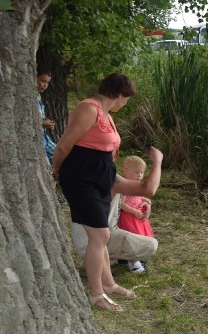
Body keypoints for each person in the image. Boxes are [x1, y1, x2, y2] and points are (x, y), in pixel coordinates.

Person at [51, 73, 163, 312]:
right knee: (100, 235)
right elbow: (65, 144)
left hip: (100, 178)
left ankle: (109, 284)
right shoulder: (88, 108)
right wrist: (56, 168)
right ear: (119, 94)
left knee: (101, 235)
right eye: (127, 98)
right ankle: (96, 294)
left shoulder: (107, 115)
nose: (126, 103)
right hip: (81, 178)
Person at [117, 155, 154, 273]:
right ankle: (134, 262)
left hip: (138, 217)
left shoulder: (136, 185)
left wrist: (144, 200)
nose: (140, 175)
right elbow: (121, 204)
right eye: (137, 172)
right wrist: (134, 211)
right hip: (129, 217)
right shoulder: (124, 186)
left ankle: (126, 258)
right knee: (133, 239)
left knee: (141, 236)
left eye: (142, 173)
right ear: (126, 170)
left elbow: (136, 196)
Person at [36, 69, 58, 163]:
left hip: (45, 138)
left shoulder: (39, 96)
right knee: (45, 167)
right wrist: (42, 123)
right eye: (42, 81)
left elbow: (39, 115)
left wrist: (47, 121)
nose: (45, 85)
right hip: (37, 141)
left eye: (47, 82)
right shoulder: (29, 97)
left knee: (63, 156)